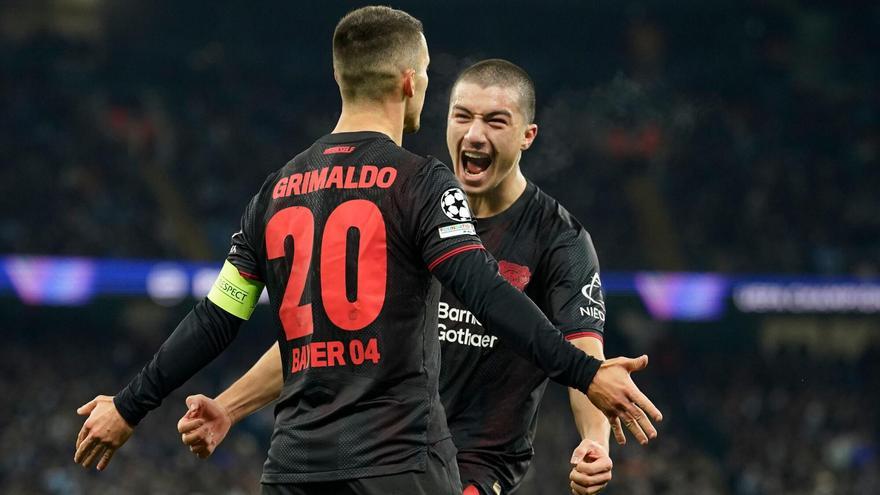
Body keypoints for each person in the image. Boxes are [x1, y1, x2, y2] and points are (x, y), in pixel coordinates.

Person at [74, 7, 661, 495]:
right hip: (398, 466)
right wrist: (588, 374)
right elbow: (484, 290)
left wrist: (130, 406)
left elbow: (220, 314)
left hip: (296, 468)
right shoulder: (420, 186)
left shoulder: (275, 191)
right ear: (411, 82)